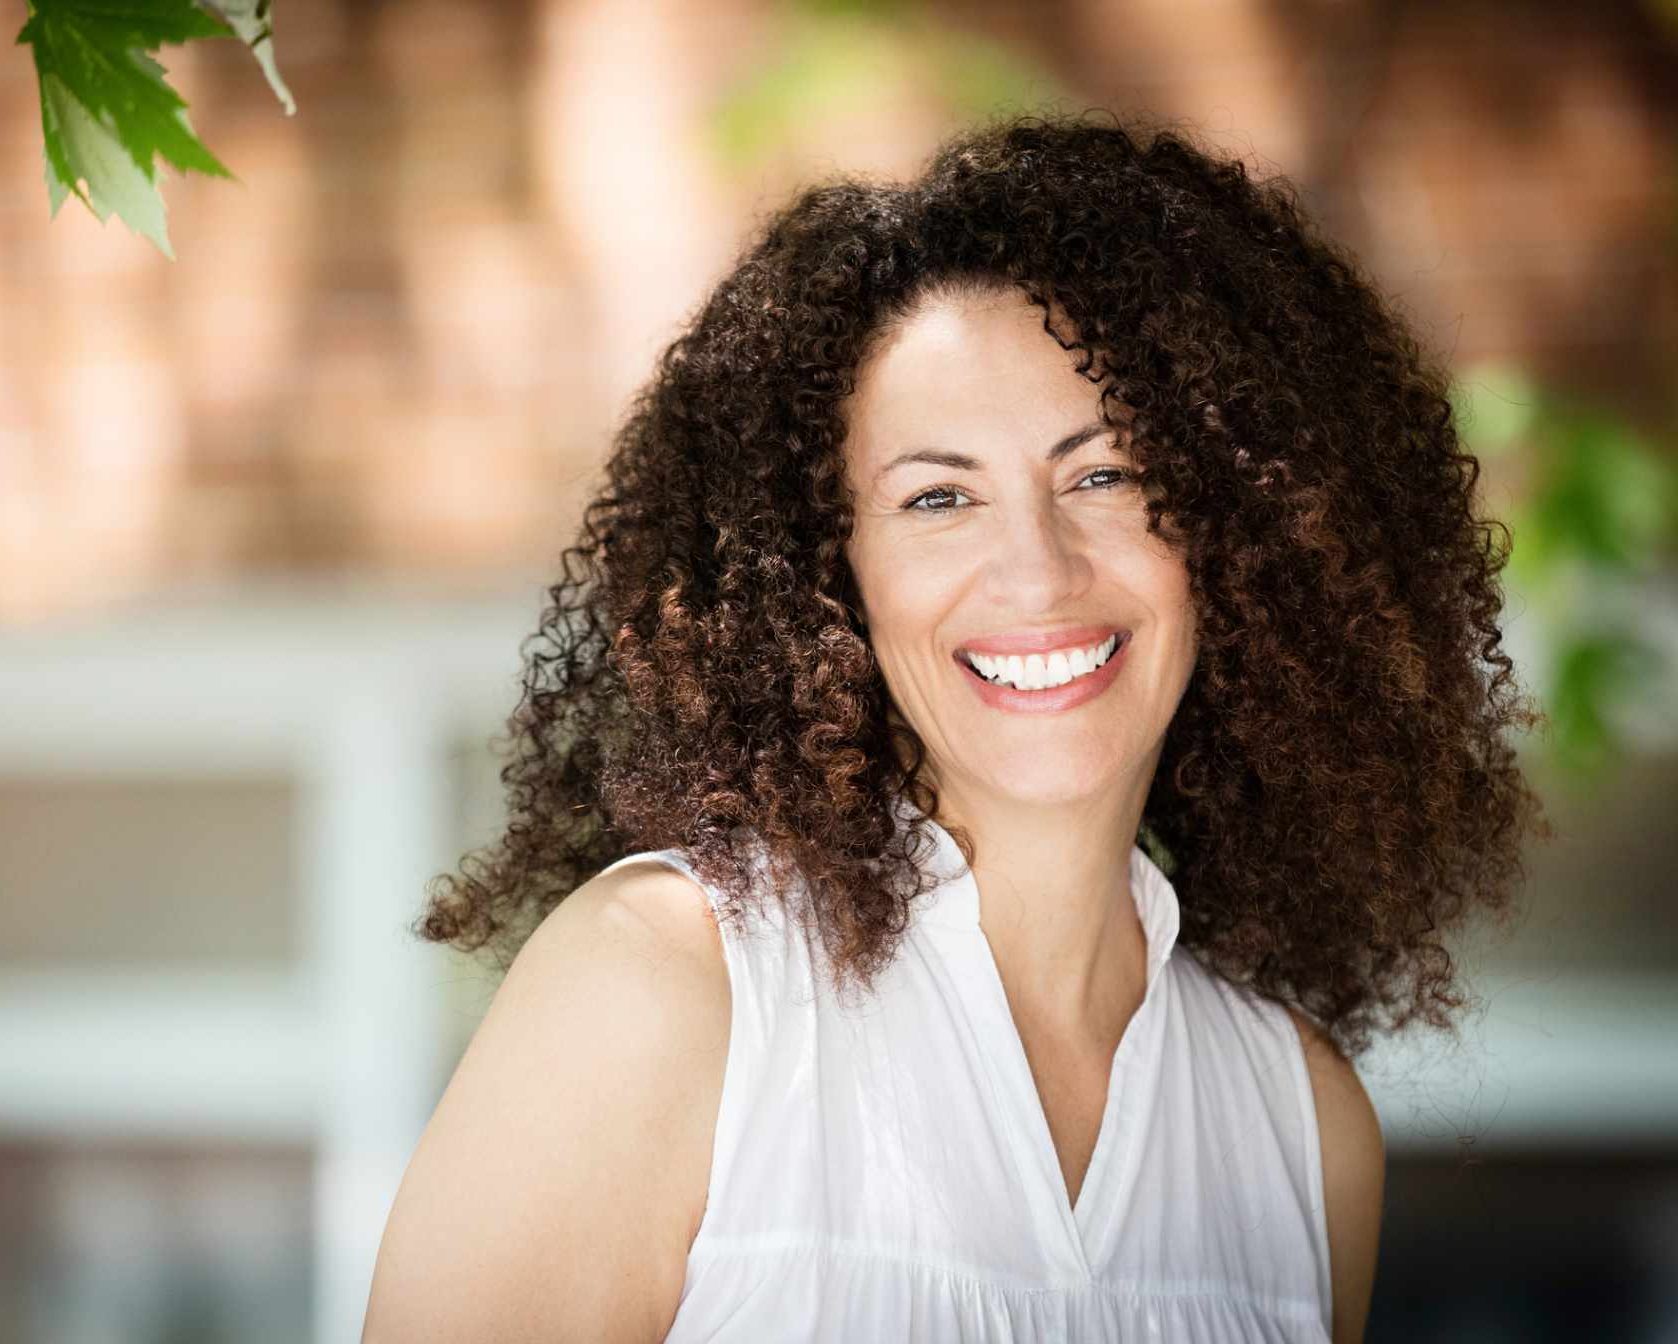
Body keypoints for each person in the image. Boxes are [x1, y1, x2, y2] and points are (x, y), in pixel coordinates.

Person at [362, 109, 1549, 1343]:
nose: (1036, 573)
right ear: (830, 579)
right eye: (938, 497)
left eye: (1105, 474)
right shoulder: (668, 987)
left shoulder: (1306, 1134)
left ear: (1241, 528)